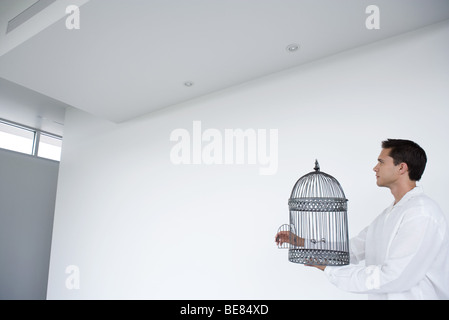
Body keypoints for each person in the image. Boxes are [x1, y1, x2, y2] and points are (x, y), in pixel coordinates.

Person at [275, 139, 449, 300]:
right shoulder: (390, 214)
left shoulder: (421, 213)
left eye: (381, 162)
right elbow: (353, 249)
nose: (375, 168)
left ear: (401, 168)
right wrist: (303, 242)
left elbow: (394, 277)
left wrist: (330, 269)